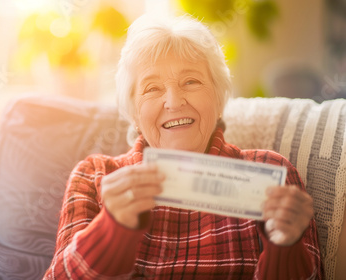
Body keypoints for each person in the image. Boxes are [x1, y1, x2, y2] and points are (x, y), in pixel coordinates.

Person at [43, 14, 323, 279]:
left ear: (218, 99)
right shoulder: (94, 176)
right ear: (134, 114)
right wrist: (111, 230)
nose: (174, 102)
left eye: (191, 81)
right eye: (152, 88)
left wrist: (285, 248)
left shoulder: (272, 174)